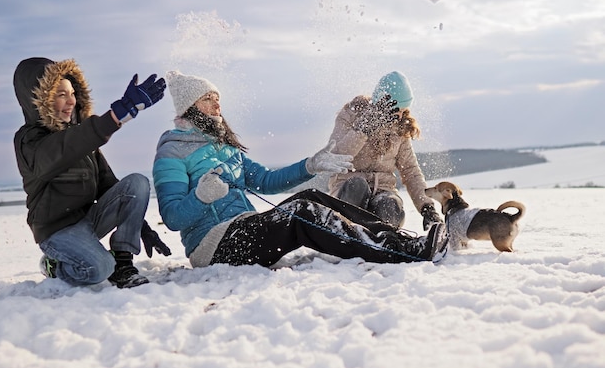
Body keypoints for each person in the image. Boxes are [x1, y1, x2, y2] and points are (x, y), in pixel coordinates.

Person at [152, 71, 448, 269]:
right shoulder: (173, 151)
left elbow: (267, 181)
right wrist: (202, 196)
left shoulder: (225, 147)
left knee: (310, 198)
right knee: (303, 214)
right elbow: (173, 217)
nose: (217, 103)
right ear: (190, 107)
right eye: (207, 98)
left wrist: (310, 165)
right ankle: (402, 253)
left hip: (242, 225)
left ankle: (400, 241)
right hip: (213, 245)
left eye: (217, 97)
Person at [13, 57, 172, 289]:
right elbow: (62, 149)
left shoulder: (83, 139)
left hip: (89, 220)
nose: (71, 102)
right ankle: (54, 265)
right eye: (60, 95)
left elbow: (110, 186)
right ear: (39, 100)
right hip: (56, 231)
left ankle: (123, 263)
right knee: (98, 269)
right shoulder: (29, 140)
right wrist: (114, 118)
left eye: (72, 93)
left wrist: (141, 227)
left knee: (136, 182)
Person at [327, 70, 443, 232]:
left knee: (389, 206)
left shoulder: (400, 127)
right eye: (398, 109)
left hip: (383, 190)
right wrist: (363, 130)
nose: (401, 115)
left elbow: (410, 171)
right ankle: (344, 233)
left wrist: (427, 207)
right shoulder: (351, 116)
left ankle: (381, 238)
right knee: (357, 186)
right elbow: (335, 157)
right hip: (348, 190)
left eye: (404, 110)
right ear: (385, 103)